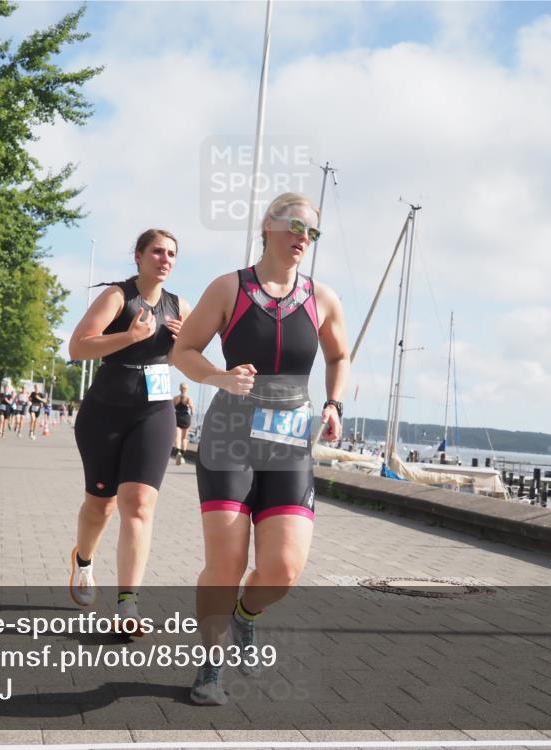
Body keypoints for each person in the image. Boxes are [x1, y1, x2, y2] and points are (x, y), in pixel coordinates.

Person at [172, 193, 349, 705]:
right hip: (231, 431)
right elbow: (183, 350)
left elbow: (340, 354)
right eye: (295, 225)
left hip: (290, 439)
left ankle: (245, 617)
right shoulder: (230, 287)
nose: (303, 238)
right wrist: (218, 376)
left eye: (312, 233)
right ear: (267, 226)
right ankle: (210, 663)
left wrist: (334, 404)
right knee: (225, 561)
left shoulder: (323, 298)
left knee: (283, 569)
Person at [68, 229, 191, 632]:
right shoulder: (118, 297)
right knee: (100, 506)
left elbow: (180, 361)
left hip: (154, 413)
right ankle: (83, 562)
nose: (165, 258)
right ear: (138, 257)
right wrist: (129, 336)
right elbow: (78, 347)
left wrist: (179, 346)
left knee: (138, 505)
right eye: (157, 251)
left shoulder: (179, 307)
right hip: (104, 412)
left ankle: (127, 605)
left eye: (172, 253)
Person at [172, 383, 194, 465]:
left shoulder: (175, 398)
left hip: (177, 418)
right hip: (186, 418)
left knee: (177, 438)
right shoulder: (188, 398)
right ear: (186, 389)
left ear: (179, 389)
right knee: (184, 439)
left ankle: (178, 453)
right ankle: (182, 455)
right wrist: (191, 412)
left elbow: (171, 409)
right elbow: (192, 409)